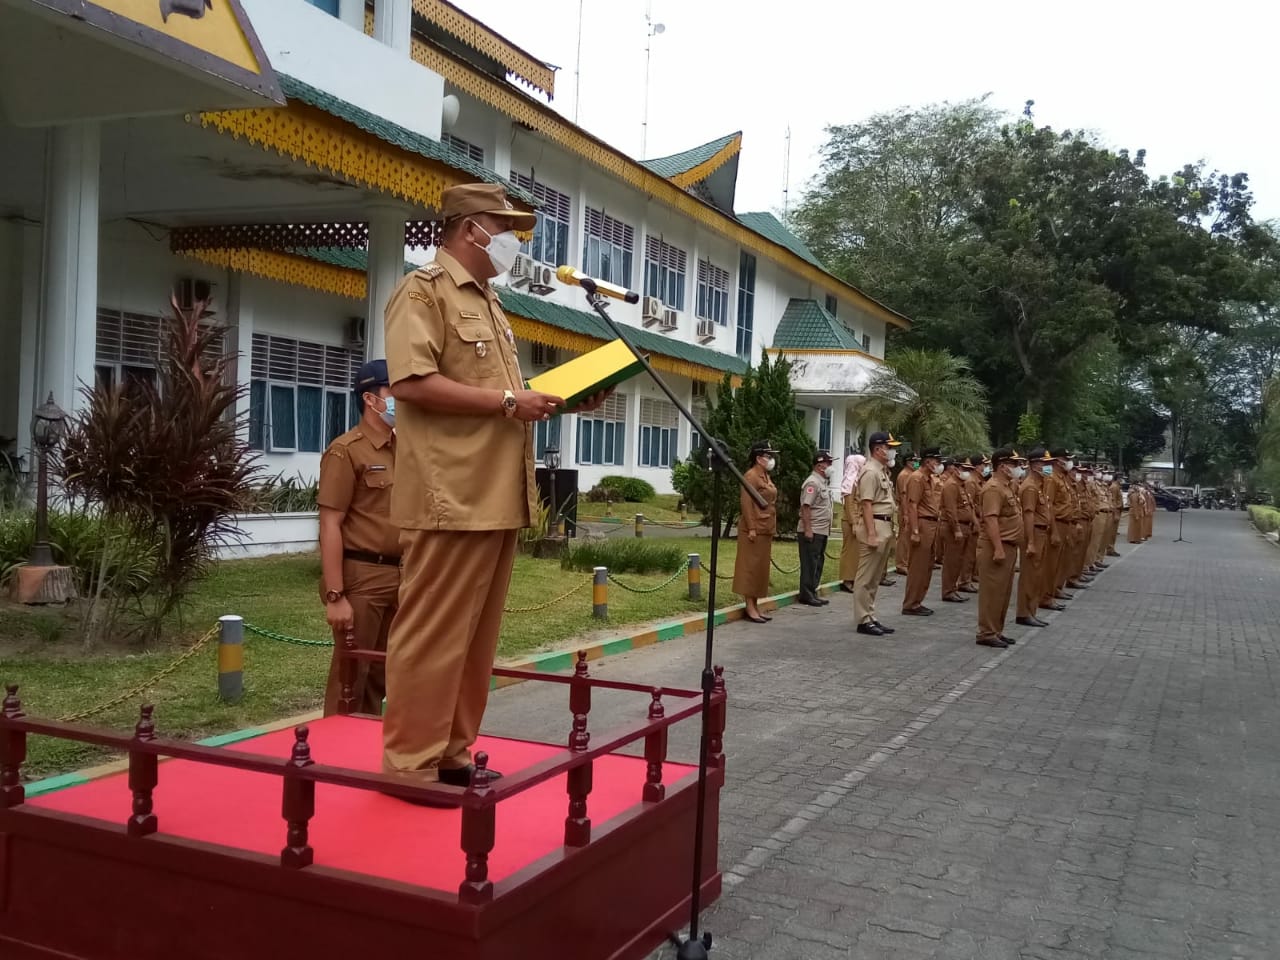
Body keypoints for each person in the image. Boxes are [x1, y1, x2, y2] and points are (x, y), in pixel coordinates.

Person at [380, 182, 610, 796]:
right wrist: (511, 400)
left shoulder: (491, 304)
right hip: (449, 494)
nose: (511, 240)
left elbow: (503, 398)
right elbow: (411, 383)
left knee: (475, 636)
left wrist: (564, 398)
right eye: (502, 226)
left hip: (496, 494)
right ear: (468, 228)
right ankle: (411, 763)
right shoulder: (421, 292)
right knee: (432, 630)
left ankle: (453, 752)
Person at [316, 359, 400, 716]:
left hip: (400, 576)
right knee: (350, 677)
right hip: (363, 577)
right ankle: (331, 758)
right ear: (370, 398)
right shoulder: (346, 450)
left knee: (382, 674)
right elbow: (330, 524)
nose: (403, 399)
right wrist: (335, 595)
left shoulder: (405, 448)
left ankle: (362, 755)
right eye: (394, 391)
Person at [976, 448, 1028, 648]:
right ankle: (986, 632)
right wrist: (997, 548)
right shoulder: (993, 488)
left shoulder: (1007, 486)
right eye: (1013, 465)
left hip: (1009, 545)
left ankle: (996, 630)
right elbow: (991, 520)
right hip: (995, 547)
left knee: (1003, 592)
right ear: (1002, 466)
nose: (1017, 468)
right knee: (992, 592)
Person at [853, 432, 901, 636]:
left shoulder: (882, 471)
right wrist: (871, 534)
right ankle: (863, 619)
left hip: (885, 527)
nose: (892, 451)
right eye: (889, 447)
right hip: (875, 527)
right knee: (865, 577)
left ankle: (870, 615)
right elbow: (866, 504)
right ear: (878, 449)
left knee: (874, 578)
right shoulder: (870, 472)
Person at [733, 440, 779, 623]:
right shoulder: (751, 476)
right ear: (759, 458)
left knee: (760, 570)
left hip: (766, 528)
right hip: (754, 529)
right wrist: (751, 527)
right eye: (768, 456)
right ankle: (749, 606)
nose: (771, 459)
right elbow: (746, 503)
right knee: (750, 569)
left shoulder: (765, 476)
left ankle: (756, 604)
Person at [902, 447, 944, 616]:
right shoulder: (917, 478)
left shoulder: (929, 479)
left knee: (927, 567)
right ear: (928, 461)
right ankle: (911, 603)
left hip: (932, 524)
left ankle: (918, 601)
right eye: (937, 461)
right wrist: (915, 531)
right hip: (923, 523)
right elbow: (912, 505)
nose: (939, 464)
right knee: (918, 567)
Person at [1015, 448, 1052, 628]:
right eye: (1043, 464)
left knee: (1036, 574)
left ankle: (1031, 611)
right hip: (1034, 533)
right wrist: (1030, 541)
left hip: (1041, 532)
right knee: (1030, 574)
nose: (1046, 467)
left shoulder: (1039, 485)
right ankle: (1024, 612)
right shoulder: (1030, 486)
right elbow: (1028, 515)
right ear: (1034, 465)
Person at [797, 451, 835, 606]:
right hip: (813, 529)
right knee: (809, 562)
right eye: (828, 463)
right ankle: (806, 594)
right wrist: (808, 530)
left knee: (817, 562)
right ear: (820, 465)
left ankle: (812, 591)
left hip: (822, 529)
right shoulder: (812, 483)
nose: (830, 466)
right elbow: (806, 507)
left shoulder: (821, 482)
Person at [939, 456, 975, 603]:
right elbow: (951, 510)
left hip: (965, 526)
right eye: (964, 469)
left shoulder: (962, 485)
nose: (966, 472)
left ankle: (953, 588)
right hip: (954, 526)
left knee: (959, 560)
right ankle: (948, 591)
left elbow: (967, 506)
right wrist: (957, 529)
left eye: (968, 469)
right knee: (952, 561)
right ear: (956, 468)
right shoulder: (951, 485)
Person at [838, 452, 867, 593]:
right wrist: (854, 523)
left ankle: (853, 578)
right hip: (850, 521)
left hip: (856, 519)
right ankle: (847, 579)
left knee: (855, 552)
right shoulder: (850, 481)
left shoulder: (856, 480)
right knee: (850, 551)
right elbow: (849, 505)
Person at [959, 455, 984, 593]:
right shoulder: (971, 482)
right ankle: (964, 580)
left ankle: (970, 577)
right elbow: (969, 505)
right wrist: (975, 521)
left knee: (973, 552)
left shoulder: (978, 481)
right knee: (968, 553)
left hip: (979, 519)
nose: (984, 468)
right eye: (982, 465)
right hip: (973, 520)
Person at [894, 453, 918, 576]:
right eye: (914, 461)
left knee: (908, 538)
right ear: (908, 462)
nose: (916, 463)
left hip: (910, 510)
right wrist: (906, 513)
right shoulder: (904, 475)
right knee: (904, 537)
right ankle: (901, 564)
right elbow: (904, 496)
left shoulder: (911, 475)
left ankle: (907, 562)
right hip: (905, 510)